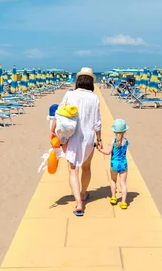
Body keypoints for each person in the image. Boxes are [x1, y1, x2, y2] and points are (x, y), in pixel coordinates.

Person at [58, 67, 101, 216]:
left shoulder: (70, 95)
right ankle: (83, 193)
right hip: (89, 138)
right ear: (90, 82)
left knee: (73, 170)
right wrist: (99, 139)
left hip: (72, 136)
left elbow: (59, 113)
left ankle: (79, 203)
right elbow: (97, 123)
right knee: (86, 167)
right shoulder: (94, 98)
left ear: (78, 81)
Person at [97, 118, 130, 209]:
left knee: (113, 180)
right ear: (124, 131)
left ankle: (113, 197)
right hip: (123, 164)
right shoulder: (126, 141)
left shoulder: (113, 141)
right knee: (123, 183)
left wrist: (100, 149)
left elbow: (108, 152)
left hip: (114, 164)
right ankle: (123, 202)